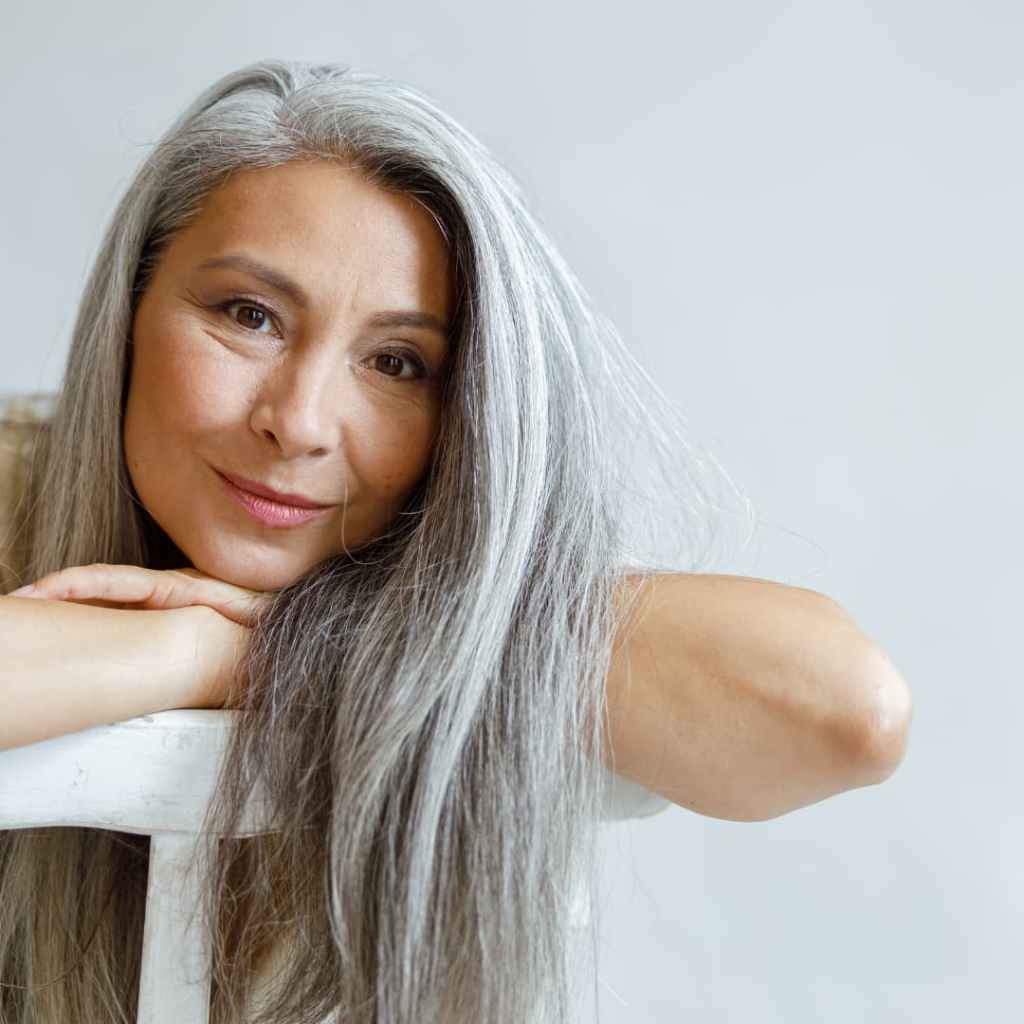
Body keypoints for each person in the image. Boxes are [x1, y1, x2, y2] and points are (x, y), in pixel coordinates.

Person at [0, 60, 910, 1024]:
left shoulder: (448, 561)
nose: (300, 423)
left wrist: (256, 646)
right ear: (130, 312)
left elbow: (845, 712)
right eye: (248, 315)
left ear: (468, 413)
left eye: (398, 363)